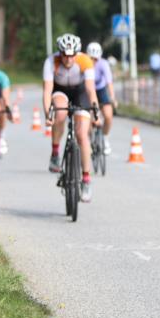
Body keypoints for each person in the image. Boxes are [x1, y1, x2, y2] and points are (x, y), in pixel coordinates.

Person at [42, 33, 99, 202]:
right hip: (60, 90)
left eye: (71, 55)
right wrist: (47, 115)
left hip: (80, 91)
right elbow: (47, 91)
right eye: (64, 55)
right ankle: (55, 153)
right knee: (59, 113)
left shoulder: (85, 61)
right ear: (60, 53)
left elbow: (90, 90)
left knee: (82, 135)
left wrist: (95, 111)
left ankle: (86, 179)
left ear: (77, 53)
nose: (68, 60)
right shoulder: (51, 62)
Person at [85, 41, 115, 155]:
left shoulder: (103, 64)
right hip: (87, 89)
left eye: (95, 59)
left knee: (108, 115)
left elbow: (109, 82)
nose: (93, 61)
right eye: (91, 58)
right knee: (87, 118)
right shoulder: (84, 63)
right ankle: (88, 141)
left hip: (101, 89)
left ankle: (105, 138)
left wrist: (112, 97)